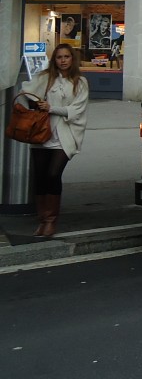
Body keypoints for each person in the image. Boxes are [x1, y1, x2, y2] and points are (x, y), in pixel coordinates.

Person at [18, 44, 89, 238]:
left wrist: (52, 108)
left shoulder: (80, 82)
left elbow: (77, 110)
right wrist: (35, 105)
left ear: (72, 58)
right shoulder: (44, 77)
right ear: (54, 60)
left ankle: (51, 220)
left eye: (66, 56)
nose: (63, 60)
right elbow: (24, 94)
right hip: (42, 133)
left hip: (65, 135)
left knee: (53, 174)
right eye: (59, 57)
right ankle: (42, 221)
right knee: (40, 177)